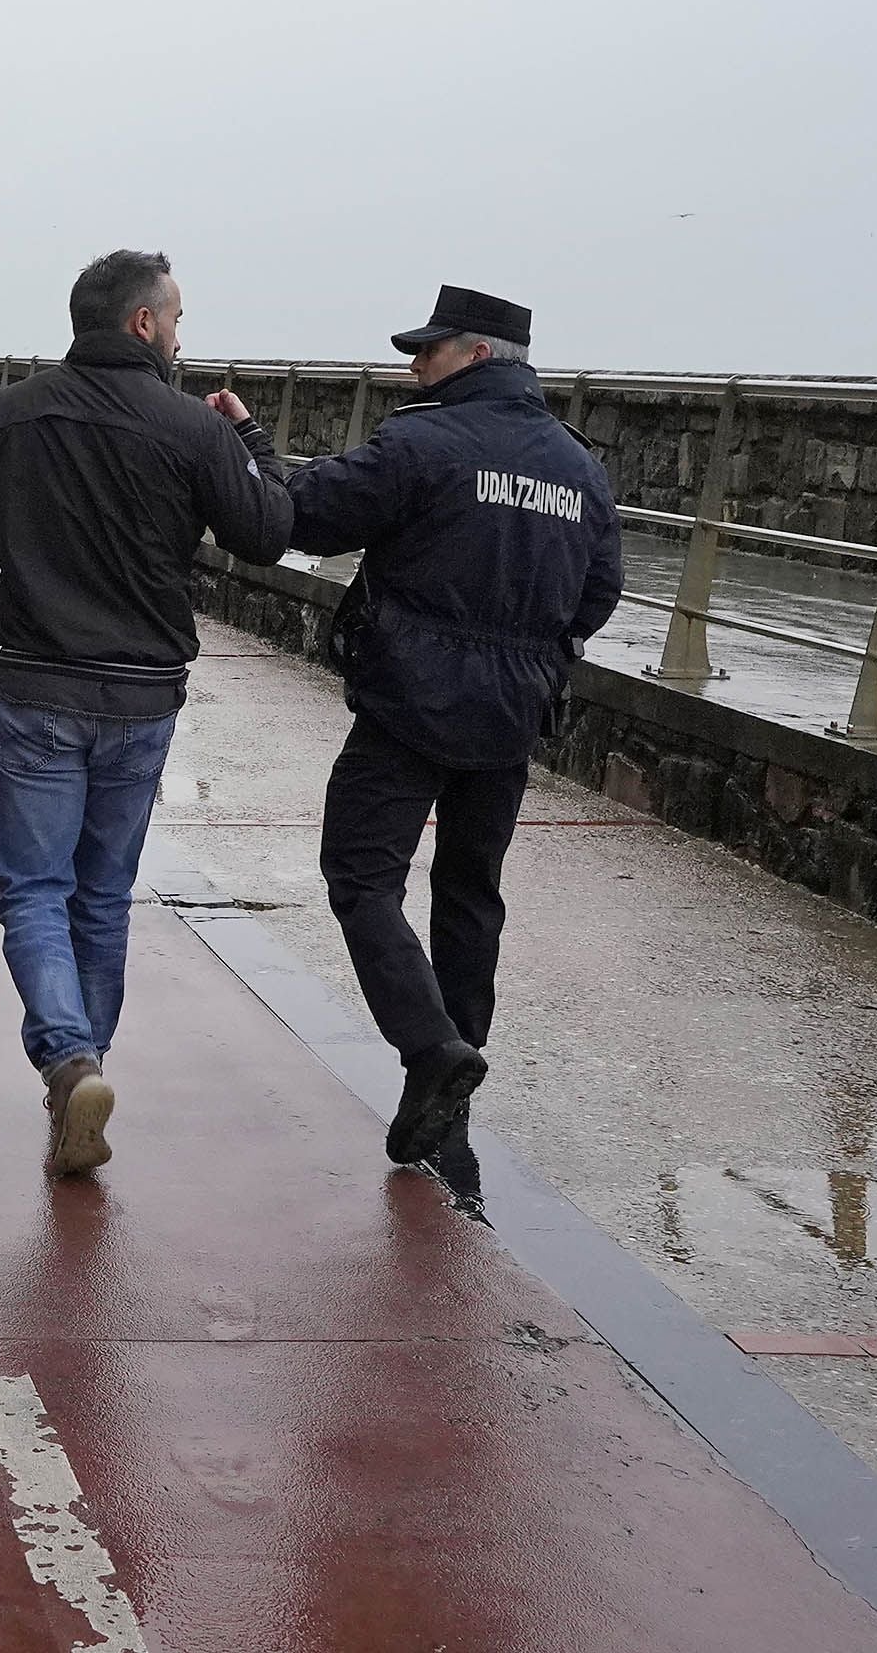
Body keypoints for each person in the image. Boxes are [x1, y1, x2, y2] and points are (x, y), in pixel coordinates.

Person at [0, 250, 292, 1174]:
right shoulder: (188, 426)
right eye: (175, 318)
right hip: (142, 696)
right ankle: (83, 1078)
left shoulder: (7, 416)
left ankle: (67, 1060)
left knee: (34, 890)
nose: (178, 334)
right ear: (141, 324)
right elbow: (267, 531)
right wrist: (247, 441)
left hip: (41, 684)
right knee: (101, 895)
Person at [255, 285, 622, 1210]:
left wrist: (251, 447)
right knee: (468, 893)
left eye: (427, 350)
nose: (413, 365)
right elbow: (599, 592)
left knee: (359, 878)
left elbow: (307, 516)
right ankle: (448, 1095)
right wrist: (531, 653)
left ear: (475, 354)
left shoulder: (421, 443)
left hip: (407, 704)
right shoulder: (577, 467)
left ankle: (433, 1050)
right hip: (511, 713)